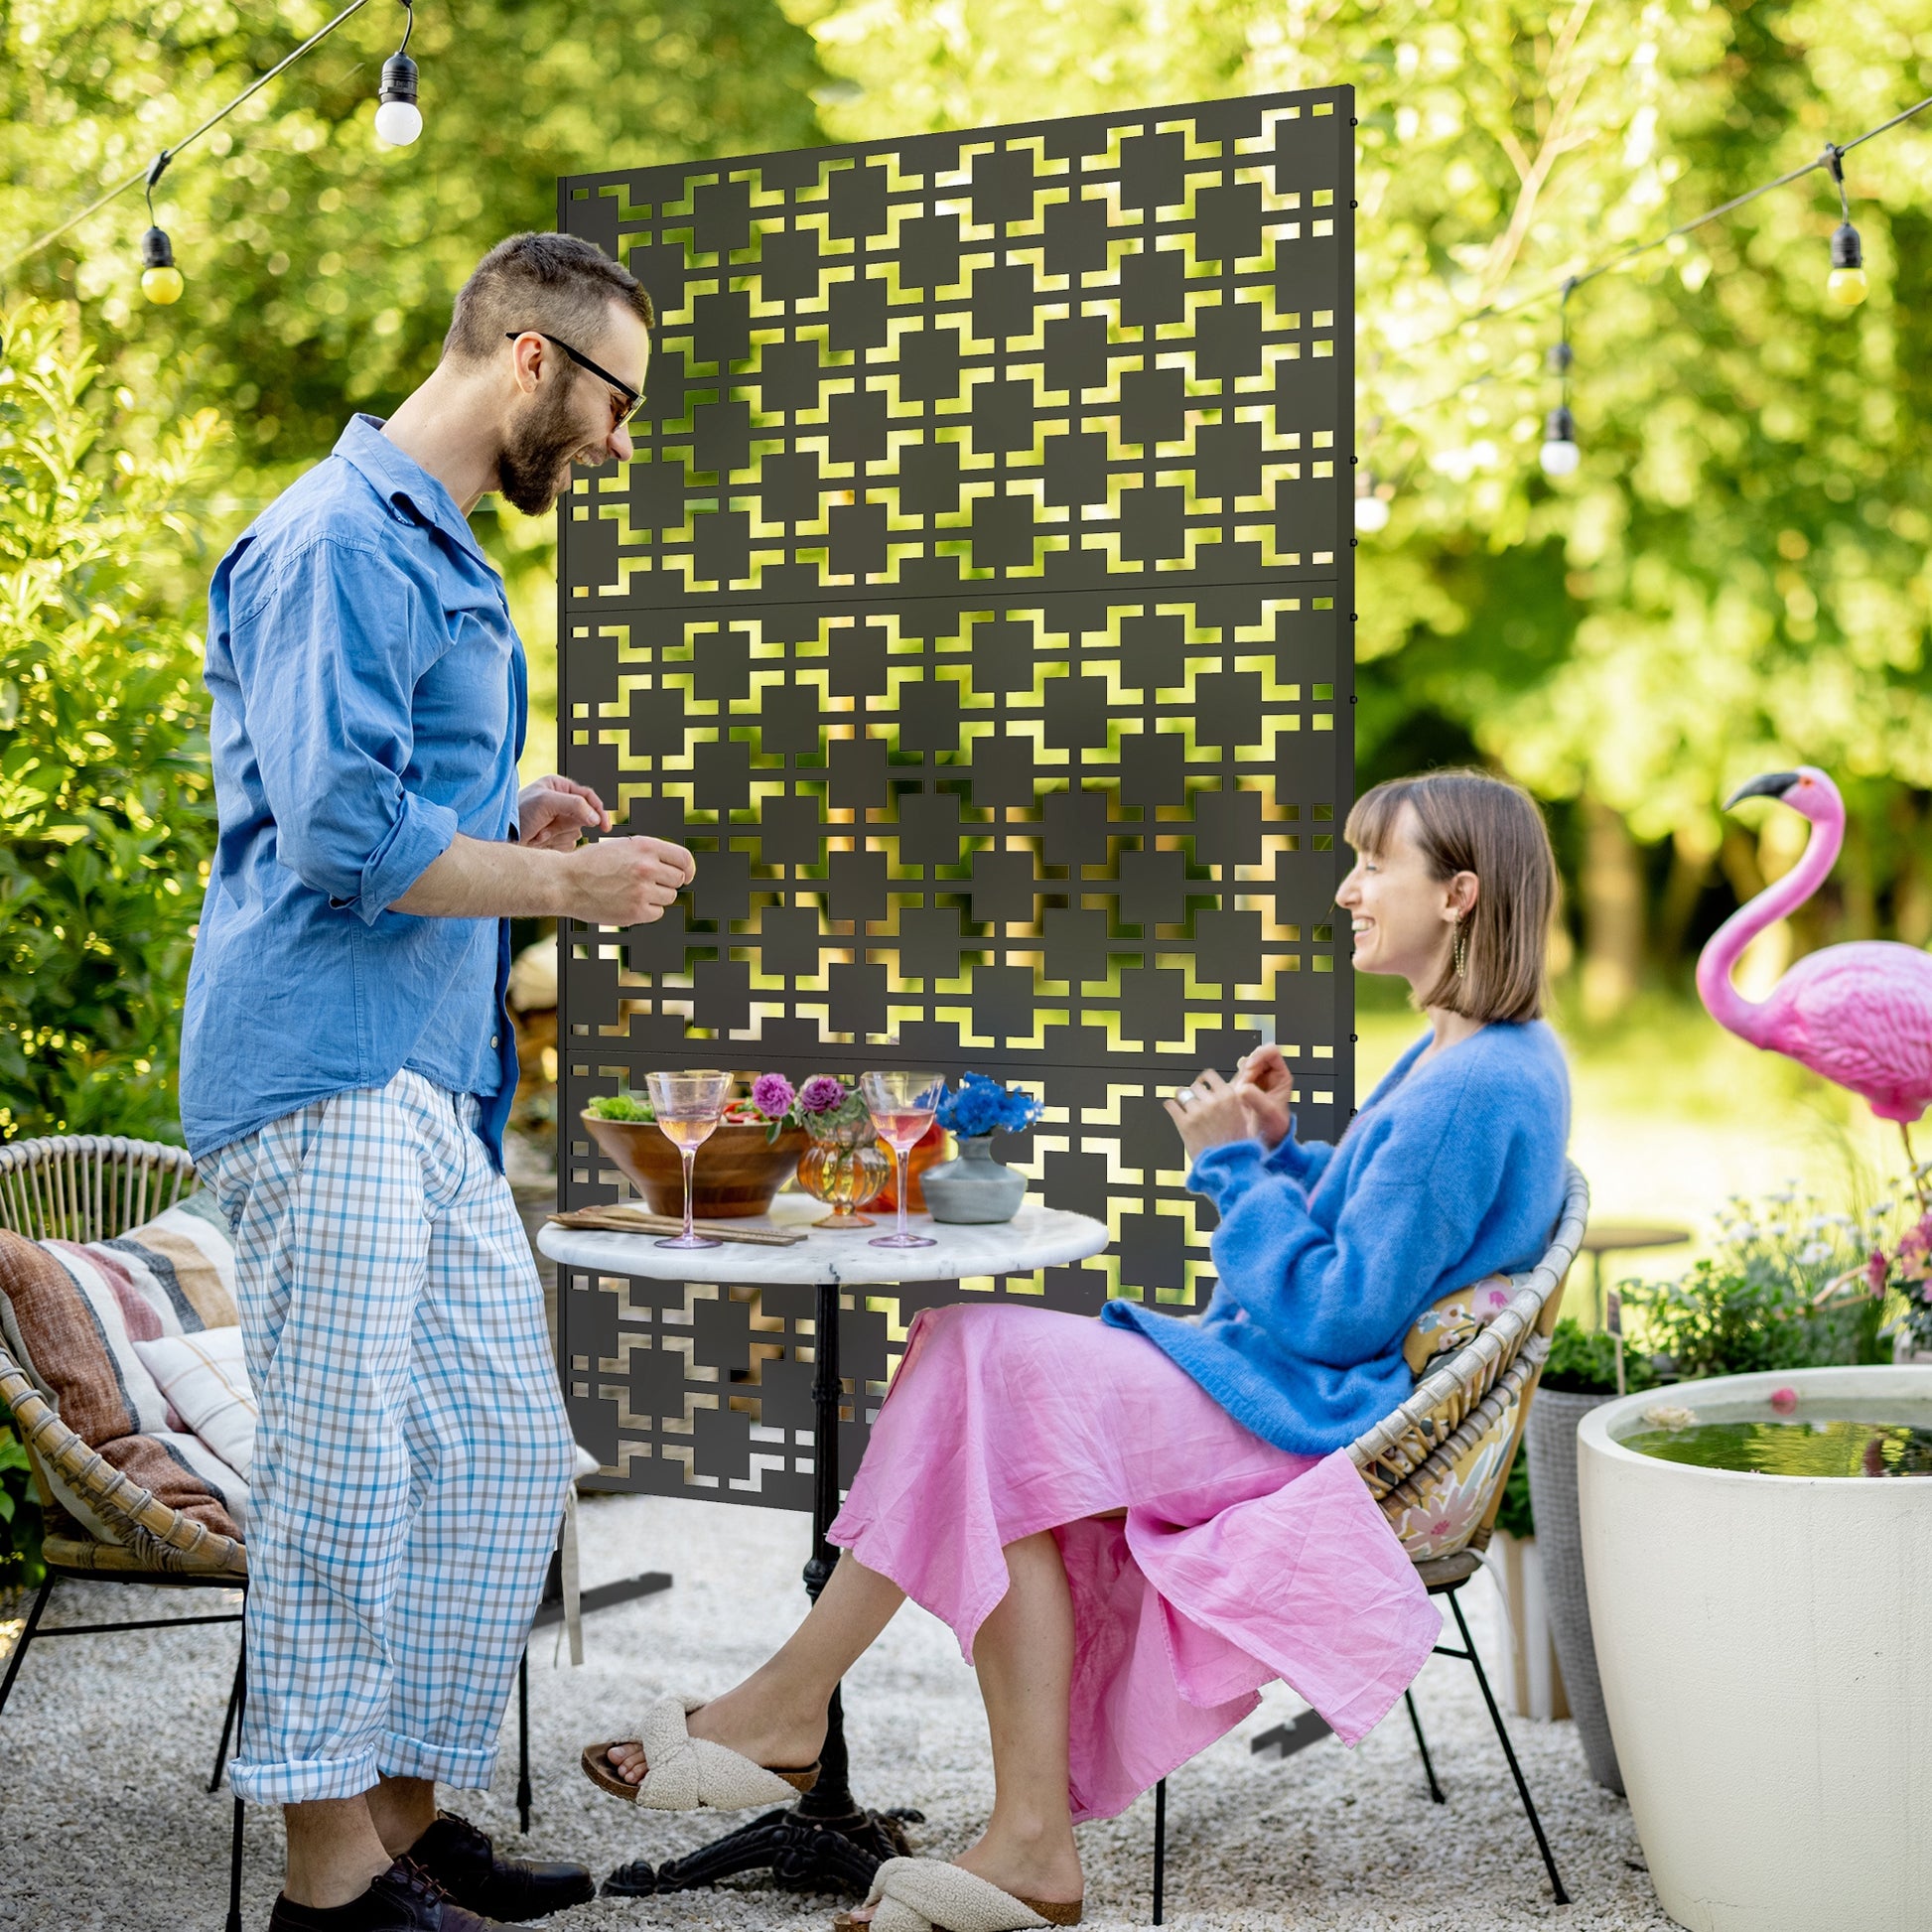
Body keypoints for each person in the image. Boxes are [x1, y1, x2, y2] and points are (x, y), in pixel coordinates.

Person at [580, 767, 1573, 1932]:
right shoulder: (1480, 1058)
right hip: (1289, 1391)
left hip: (1300, 1420)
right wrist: (1281, 1147)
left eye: (1372, 864)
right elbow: (1387, 1246)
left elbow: (1338, 1310)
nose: (1345, 888)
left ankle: (793, 1714)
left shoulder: (1473, 1082)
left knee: (974, 1361)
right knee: (987, 1406)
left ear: (1457, 895)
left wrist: (1230, 1168)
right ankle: (1016, 1841)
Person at [182, 232, 696, 1932]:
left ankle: (396, 1824)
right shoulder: (337, 536)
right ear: (535, 358)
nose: (619, 443)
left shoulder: (436, 550)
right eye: (617, 400)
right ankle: (330, 1890)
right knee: (343, 1467)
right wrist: (562, 886)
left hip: (418, 1076)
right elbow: (337, 835)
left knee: (495, 1453)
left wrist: (510, 824)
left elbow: (390, 802)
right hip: (322, 1063)